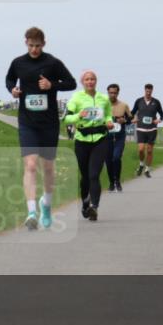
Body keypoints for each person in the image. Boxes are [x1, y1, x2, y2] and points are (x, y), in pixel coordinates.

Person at [5, 27, 76, 230]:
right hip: (27, 122)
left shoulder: (52, 62)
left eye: (38, 46)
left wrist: (51, 85)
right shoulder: (18, 63)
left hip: (49, 123)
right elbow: (9, 79)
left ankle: (46, 204)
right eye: (31, 45)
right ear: (25, 42)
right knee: (30, 165)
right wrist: (13, 89)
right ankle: (31, 211)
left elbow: (70, 83)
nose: (34, 49)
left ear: (44, 44)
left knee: (48, 167)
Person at [63, 70, 113, 221]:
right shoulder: (76, 98)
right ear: (82, 82)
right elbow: (67, 119)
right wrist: (79, 116)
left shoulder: (104, 99)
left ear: (96, 81)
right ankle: (85, 202)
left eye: (92, 79)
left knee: (94, 175)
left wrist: (109, 121)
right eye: (87, 79)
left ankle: (94, 207)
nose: (90, 82)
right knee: (85, 176)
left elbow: (108, 114)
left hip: (100, 139)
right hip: (82, 140)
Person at [130, 84, 163, 178]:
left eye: (150, 91)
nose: (148, 92)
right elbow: (132, 112)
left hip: (152, 129)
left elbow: (162, 114)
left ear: (152, 91)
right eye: (147, 91)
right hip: (141, 128)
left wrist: (159, 120)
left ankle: (147, 169)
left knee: (149, 151)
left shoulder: (156, 102)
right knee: (141, 149)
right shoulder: (139, 101)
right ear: (144, 90)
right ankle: (141, 164)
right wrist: (131, 119)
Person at [104, 83, 132, 192]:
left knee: (116, 158)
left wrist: (124, 120)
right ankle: (111, 182)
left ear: (118, 93)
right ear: (108, 93)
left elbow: (130, 118)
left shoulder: (124, 105)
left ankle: (118, 181)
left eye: (115, 93)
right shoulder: (103, 105)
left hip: (119, 136)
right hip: (106, 136)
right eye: (111, 93)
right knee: (108, 160)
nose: (112, 95)